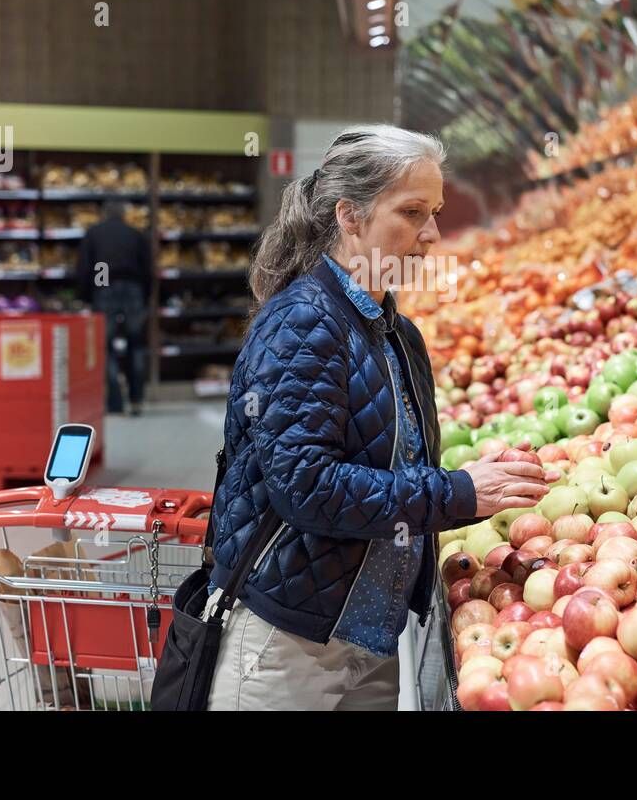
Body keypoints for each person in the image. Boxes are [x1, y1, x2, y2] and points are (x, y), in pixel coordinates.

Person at [202, 125, 549, 710]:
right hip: (289, 640)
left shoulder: (394, 330)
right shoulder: (305, 323)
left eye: (435, 212)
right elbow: (305, 487)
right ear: (350, 216)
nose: (432, 234)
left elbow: (385, 462)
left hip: (367, 632)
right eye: (412, 212)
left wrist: (471, 478)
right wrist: (459, 492)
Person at [77, 198, 152, 415]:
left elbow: (85, 268)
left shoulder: (94, 234)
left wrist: (85, 296)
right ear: (123, 214)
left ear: (104, 213)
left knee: (105, 346)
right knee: (136, 343)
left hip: (104, 287)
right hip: (133, 290)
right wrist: (145, 297)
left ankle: (115, 401)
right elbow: (148, 269)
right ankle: (136, 398)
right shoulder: (136, 235)